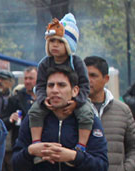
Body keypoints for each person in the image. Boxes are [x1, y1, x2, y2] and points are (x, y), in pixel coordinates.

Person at [29, 13, 93, 153]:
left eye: (59, 42)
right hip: (49, 100)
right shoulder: (44, 64)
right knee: (34, 111)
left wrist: (77, 102)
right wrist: (42, 99)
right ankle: (36, 142)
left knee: (87, 113)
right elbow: (39, 85)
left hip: (76, 101)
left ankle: (81, 146)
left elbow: (85, 85)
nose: (55, 45)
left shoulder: (77, 63)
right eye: (52, 42)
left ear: (69, 45)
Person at [2, 66, 37, 171]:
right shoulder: (16, 99)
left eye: (31, 78)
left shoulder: (45, 98)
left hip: (44, 149)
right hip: (23, 149)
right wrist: (11, 120)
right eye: (26, 78)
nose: (28, 81)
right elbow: (3, 122)